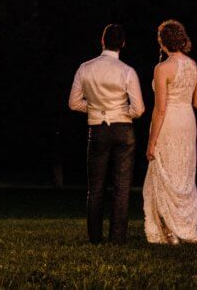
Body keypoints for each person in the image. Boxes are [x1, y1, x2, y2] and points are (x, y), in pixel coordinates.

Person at [68, 24, 146, 244]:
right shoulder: (127, 71)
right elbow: (139, 109)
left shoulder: (85, 68)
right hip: (123, 129)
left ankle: (95, 238)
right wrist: (121, 112)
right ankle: (117, 238)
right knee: (121, 187)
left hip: (98, 129)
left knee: (96, 187)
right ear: (123, 44)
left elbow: (73, 103)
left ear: (102, 41)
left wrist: (94, 109)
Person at [142, 19, 197, 244]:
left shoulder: (162, 68)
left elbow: (160, 109)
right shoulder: (194, 66)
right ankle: (185, 228)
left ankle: (169, 231)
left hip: (169, 122)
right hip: (187, 122)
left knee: (166, 169)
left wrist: (151, 143)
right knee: (184, 174)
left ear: (162, 42)